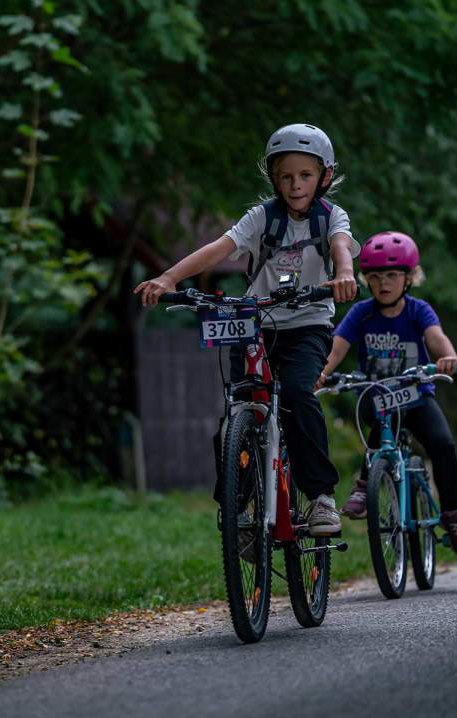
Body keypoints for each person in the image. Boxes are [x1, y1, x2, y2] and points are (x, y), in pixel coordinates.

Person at [134, 123, 359, 535]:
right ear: (273, 177)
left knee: (296, 393)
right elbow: (217, 249)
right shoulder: (261, 217)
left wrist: (345, 274)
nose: (295, 185)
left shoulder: (331, 218)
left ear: (324, 177)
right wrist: (168, 279)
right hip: (256, 324)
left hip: (307, 324)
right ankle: (237, 510)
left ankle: (322, 498)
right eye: (286, 176)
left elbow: (341, 247)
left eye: (305, 176)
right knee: (238, 411)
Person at [317, 230, 457, 554]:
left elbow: (435, 338)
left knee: (444, 445)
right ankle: (366, 484)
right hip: (375, 396)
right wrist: (320, 373)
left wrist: (447, 356)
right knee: (378, 419)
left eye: (391, 275)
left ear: (409, 278)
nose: (383, 283)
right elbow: (336, 348)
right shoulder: (362, 313)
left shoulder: (418, 310)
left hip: (416, 398)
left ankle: (453, 514)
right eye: (375, 277)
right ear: (367, 280)